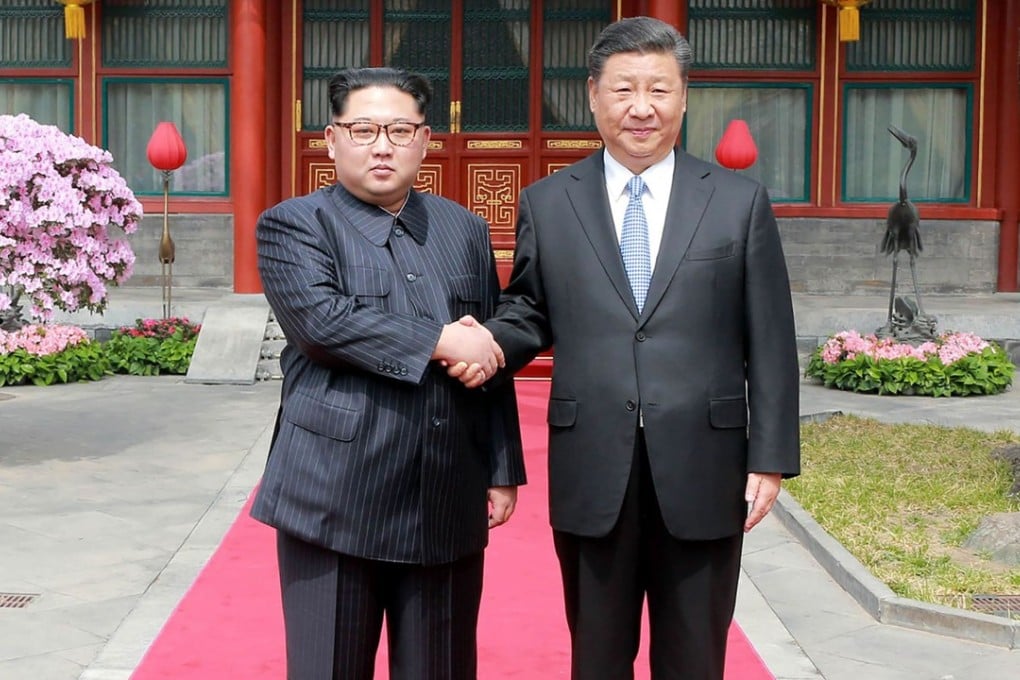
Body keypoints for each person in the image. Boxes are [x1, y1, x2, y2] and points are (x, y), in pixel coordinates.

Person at [453, 16, 800, 680]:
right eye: (623, 89)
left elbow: (772, 337)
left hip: (706, 462)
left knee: (696, 655)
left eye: (659, 89)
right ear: (592, 96)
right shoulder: (550, 202)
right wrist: (482, 343)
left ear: (684, 97)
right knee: (598, 654)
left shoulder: (737, 201)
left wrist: (773, 457)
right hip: (593, 466)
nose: (641, 108)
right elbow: (530, 309)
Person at [251, 66, 526, 680]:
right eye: (365, 129)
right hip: (333, 494)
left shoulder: (465, 229)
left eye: (400, 130)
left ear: (426, 141)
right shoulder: (294, 224)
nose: (382, 145)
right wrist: (436, 338)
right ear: (332, 138)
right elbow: (322, 323)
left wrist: (502, 467)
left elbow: (486, 356)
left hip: (444, 494)